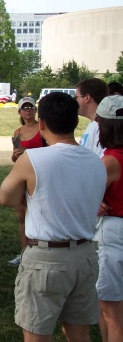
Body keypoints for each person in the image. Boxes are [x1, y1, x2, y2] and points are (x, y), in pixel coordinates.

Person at [0, 92, 106, 342]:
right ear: (75, 122)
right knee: (79, 333)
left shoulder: (33, 158)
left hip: (46, 259)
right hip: (86, 255)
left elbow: (6, 198)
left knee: (37, 334)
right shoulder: (96, 161)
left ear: (43, 123)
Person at [94, 95, 123, 342]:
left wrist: (94, 203)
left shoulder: (110, 160)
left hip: (115, 232)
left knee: (112, 312)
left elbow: (85, 199)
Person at [8, 97, 45, 266]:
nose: (28, 110)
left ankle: (40, 250)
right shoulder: (18, 132)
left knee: (40, 213)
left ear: (36, 110)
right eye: (24, 107)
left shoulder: (43, 128)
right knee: (22, 214)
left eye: (31, 107)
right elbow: (15, 156)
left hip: (40, 175)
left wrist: (30, 153)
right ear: (19, 112)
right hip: (23, 175)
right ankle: (24, 253)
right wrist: (15, 155)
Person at [75, 77, 108, 157]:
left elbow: (102, 163)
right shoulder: (94, 125)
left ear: (87, 98)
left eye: (76, 97)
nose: (74, 101)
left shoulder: (101, 128)